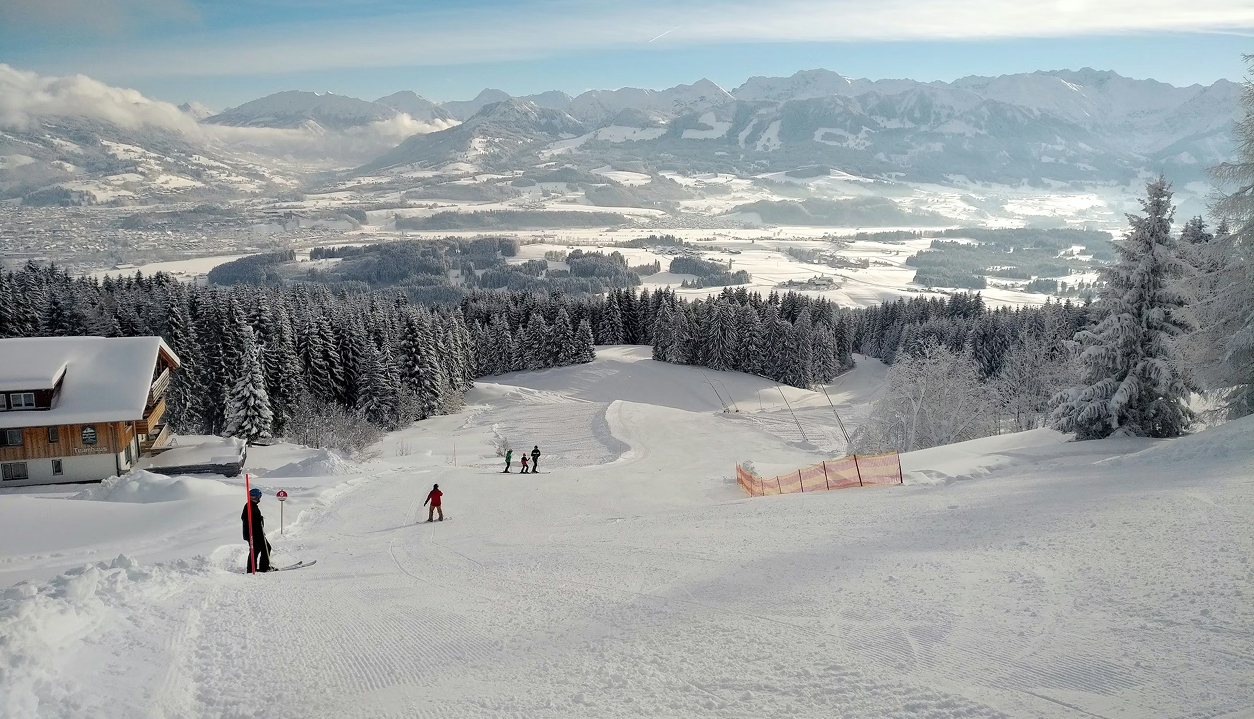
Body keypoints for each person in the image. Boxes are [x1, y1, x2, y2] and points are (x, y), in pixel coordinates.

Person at [241, 487, 272, 572]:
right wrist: (255, 520)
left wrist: (259, 519)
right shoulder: (248, 506)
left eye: (257, 497)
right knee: (259, 549)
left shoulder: (253, 506)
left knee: (262, 549)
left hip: (258, 533)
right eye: (253, 496)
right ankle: (255, 569)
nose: (255, 498)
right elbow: (244, 518)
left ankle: (261, 568)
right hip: (253, 533)